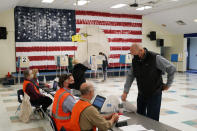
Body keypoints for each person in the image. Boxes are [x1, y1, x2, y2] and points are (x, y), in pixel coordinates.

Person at [121, 43, 176, 121]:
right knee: (140, 117)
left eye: (135, 54)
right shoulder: (135, 60)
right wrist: (125, 92)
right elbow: (130, 76)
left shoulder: (155, 58)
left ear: (141, 50)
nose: (134, 56)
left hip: (154, 94)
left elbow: (172, 68)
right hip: (141, 94)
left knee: (152, 120)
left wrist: (168, 84)